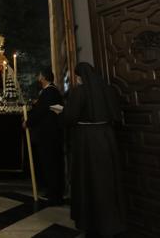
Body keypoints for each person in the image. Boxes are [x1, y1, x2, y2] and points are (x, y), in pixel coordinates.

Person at [63, 62, 126, 237]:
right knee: (107, 180)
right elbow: (116, 116)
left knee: (89, 180)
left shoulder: (79, 92)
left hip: (87, 140)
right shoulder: (108, 90)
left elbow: (70, 118)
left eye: (76, 76)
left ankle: (91, 222)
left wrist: (62, 113)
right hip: (107, 137)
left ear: (80, 76)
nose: (76, 79)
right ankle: (112, 221)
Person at [24, 66, 65, 205]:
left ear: (43, 77)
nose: (38, 78)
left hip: (49, 135)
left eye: (39, 75)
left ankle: (55, 194)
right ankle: (52, 190)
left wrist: (28, 122)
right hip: (49, 134)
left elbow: (41, 111)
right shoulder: (49, 92)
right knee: (50, 163)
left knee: (51, 163)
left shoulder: (49, 92)